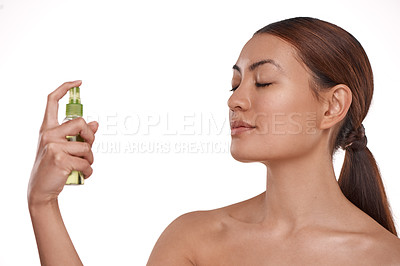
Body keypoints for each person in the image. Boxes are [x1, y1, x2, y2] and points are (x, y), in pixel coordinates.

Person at [28, 17, 400, 265]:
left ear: (332, 106)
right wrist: (43, 204)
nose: (234, 100)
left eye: (264, 81)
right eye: (235, 82)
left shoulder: (382, 257)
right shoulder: (194, 240)